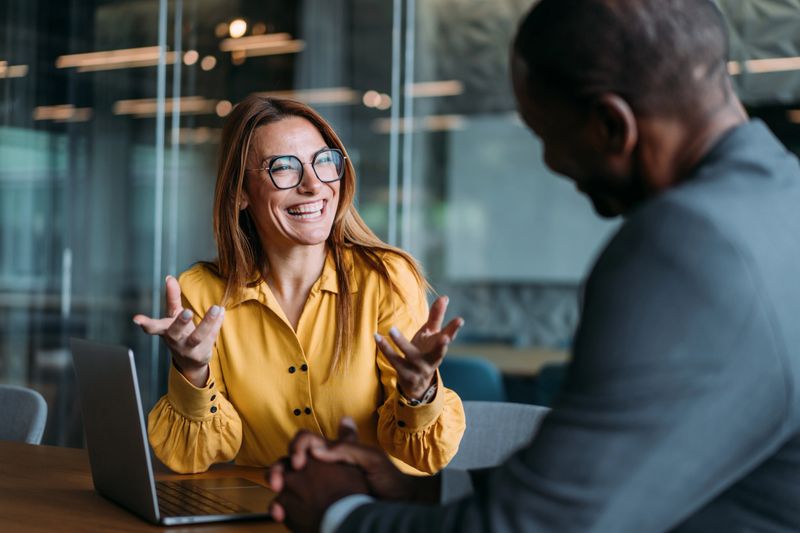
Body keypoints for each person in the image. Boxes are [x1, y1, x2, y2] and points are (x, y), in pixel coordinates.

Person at [267, 0, 800, 531]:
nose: (550, 164)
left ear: (612, 125)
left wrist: (341, 513)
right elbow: (633, 469)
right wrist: (419, 487)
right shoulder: (782, 201)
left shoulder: (683, 245)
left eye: (548, 136)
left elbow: (542, 526)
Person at [133, 95, 466, 475]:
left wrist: (419, 393)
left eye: (324, 161)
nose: (313, 184)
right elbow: (192, 458)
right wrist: (192, 372)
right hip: (262, 512)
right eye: (284, 168)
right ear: (240, 192)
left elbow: (426, 457)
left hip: (369, 514)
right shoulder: (204, 292)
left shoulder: (386, 278)